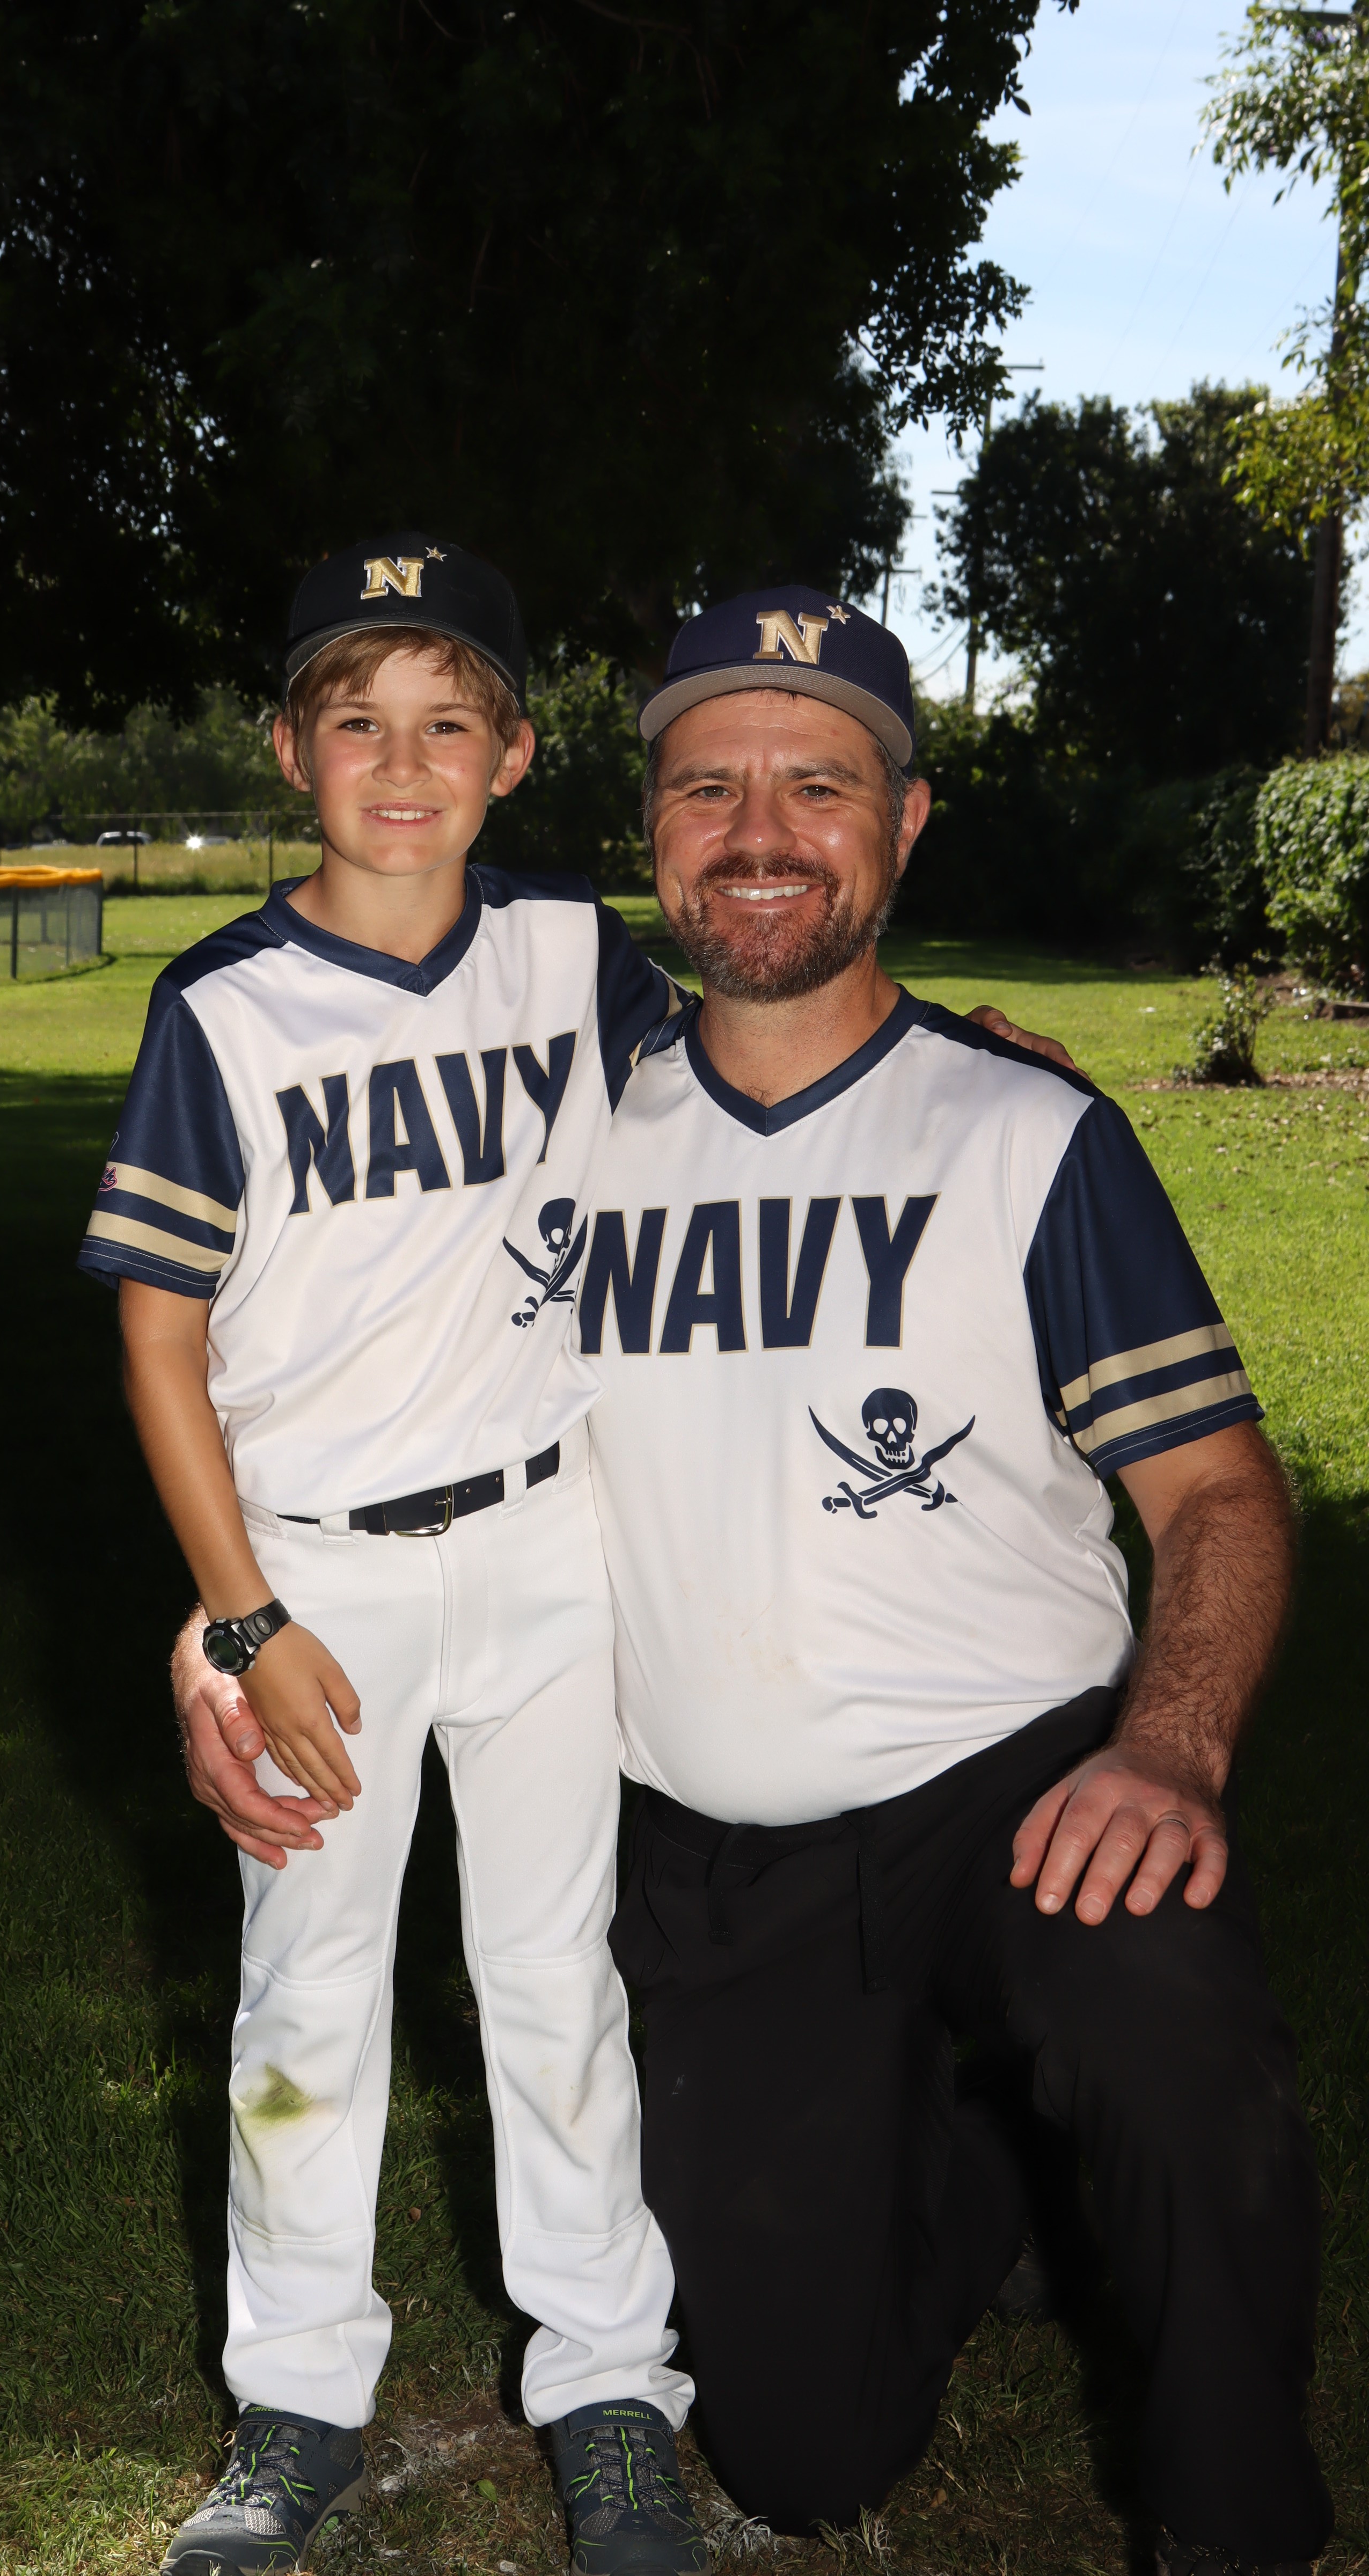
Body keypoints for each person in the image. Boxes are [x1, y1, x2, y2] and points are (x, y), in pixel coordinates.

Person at [573, 589, 1329, 2575]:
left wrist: (1170, 1752)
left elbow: (1222, 1497)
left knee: (1163, 2022)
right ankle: (988, 2154)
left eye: (820, 786)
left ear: (905, 825)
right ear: (650, 828)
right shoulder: (555, 1134)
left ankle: (1235, 2521)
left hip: (1018, 1783)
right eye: (709, 787)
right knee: (797, 2458)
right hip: (721, 1846)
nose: (760, 832)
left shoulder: (1028, 1131)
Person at [79, 534, 713, 2576]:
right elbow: (159, 1338)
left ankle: (608, 2384)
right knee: (309, 1997)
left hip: (547, 1545)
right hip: (319, 1580)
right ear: (291, 752)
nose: (406, 762)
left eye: (452, 722)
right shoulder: (223, 1006)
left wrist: (955, 1043)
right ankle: (297, 2402)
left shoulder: (575, 951)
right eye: (358, 722)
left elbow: (742, 1087)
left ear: (517, 754)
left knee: (553, 1980)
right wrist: (240, 1614)